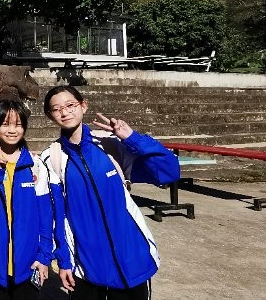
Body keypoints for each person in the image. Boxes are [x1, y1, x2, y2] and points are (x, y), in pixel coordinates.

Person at [41, 85, 180, 299]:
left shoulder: (110, 144)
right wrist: (64, 261)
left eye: (70, 105)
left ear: (83, 106)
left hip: (131, 259)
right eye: (57, 109)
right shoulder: (51, 158)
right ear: (50, 116)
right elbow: (56, 216)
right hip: (86, 266)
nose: (65, 112)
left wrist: (132, 138)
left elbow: (168, 171)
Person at [0, 99, 53, 300]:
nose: (12, 130)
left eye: (18, 125)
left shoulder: (35, 165)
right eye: (5, 124)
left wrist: (44, 255)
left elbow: (45, 214)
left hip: (28, 261)